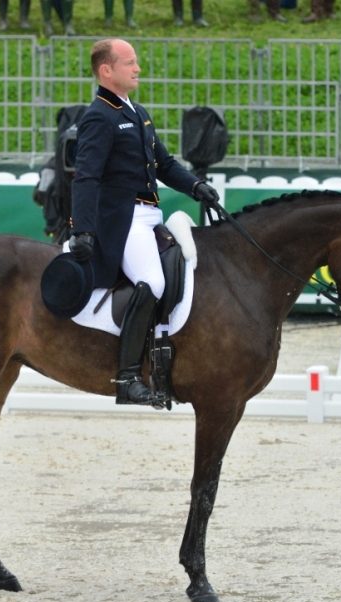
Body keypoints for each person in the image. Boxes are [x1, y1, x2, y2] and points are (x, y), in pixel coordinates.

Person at [69, 38, 220, 407]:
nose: (137, 68)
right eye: (130, 63)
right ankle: (127, 376)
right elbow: (86, 176)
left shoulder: (136, 111)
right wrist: (83, 229)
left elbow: (165, 165)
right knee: (151, 281)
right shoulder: (99, 116)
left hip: (150, 216)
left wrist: (196, 185)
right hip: (124, 220)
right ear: (107, 70)